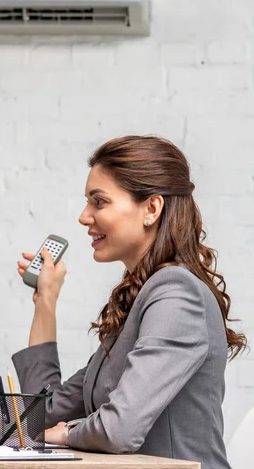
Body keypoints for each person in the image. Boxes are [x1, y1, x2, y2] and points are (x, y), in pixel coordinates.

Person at [12, 135, 246, 469]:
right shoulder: (142, 299)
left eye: (99, 202)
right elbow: (36, 418)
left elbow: (117, 430)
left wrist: (67, 432)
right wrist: (45, 300)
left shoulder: (177, 293)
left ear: (151, 209)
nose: (83, 216)